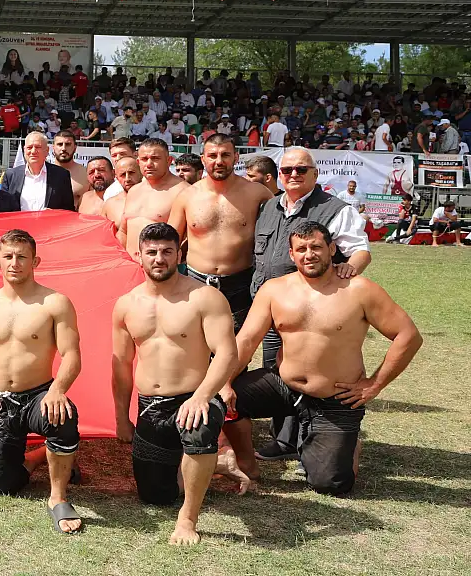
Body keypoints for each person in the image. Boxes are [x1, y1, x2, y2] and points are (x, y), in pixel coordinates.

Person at [223, 221, 422, 495]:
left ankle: (348, 443)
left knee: (328, 484)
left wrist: (374, 384)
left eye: (316, 247)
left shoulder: (359, 289)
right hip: (285, 385)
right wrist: (224, 382)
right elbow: (246, 340)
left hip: (336, 397)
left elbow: (408, 336)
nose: (309, 254)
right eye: (301, 249)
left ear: (331, 249)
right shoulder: (274, 290)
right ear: (291, 254)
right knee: (217, 400)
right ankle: (247, 461)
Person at [111, 223, 240, 545]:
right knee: (155, 496)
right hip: (151, 405)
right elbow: (121, 365)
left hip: (194, 396)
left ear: (179, 255)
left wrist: (202, 396)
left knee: (198, 430)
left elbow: (227, 354)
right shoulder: (126, 305)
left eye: (167, 251)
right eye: (152, 252)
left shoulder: (205, 297)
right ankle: (216, 463)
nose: (159, 258)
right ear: (138, 255)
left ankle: (187, 518)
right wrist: (121, 418)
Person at [249, 147, 371, 461]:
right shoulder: (269, 206)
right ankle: (285, 440)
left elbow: (360, 250)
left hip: (312, 312)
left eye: (301, 169)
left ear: (315, 174)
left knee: (311, 372)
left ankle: (315, 439)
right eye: (287, 169)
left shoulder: (336, 209)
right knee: (279, 375)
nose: (293, 175)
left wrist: (349, 270)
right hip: (271, 309)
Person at [0, 230, 84, 534]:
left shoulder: (55, 303)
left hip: (38, 396)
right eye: (8, 256)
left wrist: (57, 391)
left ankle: (58, 498)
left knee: (63, 415)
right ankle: (38, 457)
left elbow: (72, 356)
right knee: (0, 485)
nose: (14, 263)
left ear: (35, 261)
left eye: (22, 257)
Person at [168, 135, 274, 331]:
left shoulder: (257, 193)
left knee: (238, 347)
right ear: (203, 159)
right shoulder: (186, 196)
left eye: (225, 155)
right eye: (212, 155)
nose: (219, 161)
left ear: (236, 157)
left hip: (241, 286)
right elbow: (170, 242)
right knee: (196, 344)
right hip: (196, 283)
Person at [118, 139, 189, 259]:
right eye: (144, 159)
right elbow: (123, 231)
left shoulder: (184, 191)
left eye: (155, 158)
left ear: (169, 161)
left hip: (162, 265)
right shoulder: (134, 191)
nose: (149, 164)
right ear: (138, 162)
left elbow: (185, 239)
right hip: (129, 263)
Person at [0, 132, 75, 212]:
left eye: (38, 147)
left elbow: (69, 209)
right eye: (29, 147)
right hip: (19, 220)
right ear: (24, 150)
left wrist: (54, 213)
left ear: (47, 150)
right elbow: (3, 208)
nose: (33, 151)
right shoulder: (11, 175)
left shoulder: (61, 175)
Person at [101, 156, 142, 223]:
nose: (127, 179)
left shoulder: (154, 198)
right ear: (117, 177)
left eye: (131, 173)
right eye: (123, 175)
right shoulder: (109, 205)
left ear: (141, 173)